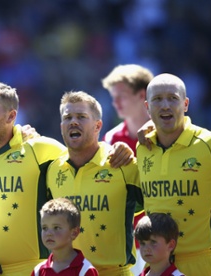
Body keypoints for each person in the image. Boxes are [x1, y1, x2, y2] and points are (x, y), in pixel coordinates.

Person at [0, 80, 133, 275]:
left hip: (29, 270)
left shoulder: (40, 149)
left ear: (11, 116)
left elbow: (82, 154)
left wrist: (112, 149)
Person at [46, 91, 143, 276]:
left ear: (98, 125)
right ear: (61, 126)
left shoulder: (122, 164)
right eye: (68, 118)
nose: (73, 122)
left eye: (81, 116)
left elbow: (160, 206)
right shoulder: (53, 170)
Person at [137, 73, 211, 275]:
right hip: (155, 265)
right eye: (157, 99)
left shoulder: (209, 143)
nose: (165, 105)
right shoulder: (143, 146)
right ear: (147, 107)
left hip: (202, 263)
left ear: (186, 104)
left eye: (173, 98)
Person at [101, 64, 153, 275]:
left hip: (167, 239)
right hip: (129, 244)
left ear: (142, 94)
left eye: (121, 95)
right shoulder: (111, 138)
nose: (115, 103)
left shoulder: (168, 133)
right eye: (113, 97)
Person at [32, 197, 98, 276]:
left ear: (74, 233)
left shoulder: (85, 270)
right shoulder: (38, 271)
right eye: (44, 228)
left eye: (56, 228)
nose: (48, 233)